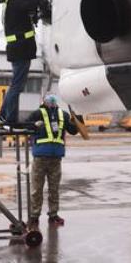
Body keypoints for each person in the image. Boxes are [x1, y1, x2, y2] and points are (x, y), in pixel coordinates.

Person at [24, 94, 78, 227]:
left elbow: (73, 131)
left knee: (54, 189)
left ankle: (53, 215)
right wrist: (34, 125)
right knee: (37, 189)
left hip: (55, 157)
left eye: (53, 101)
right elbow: (25, 125)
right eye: (49, 101)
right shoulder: (37, 113)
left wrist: (78, 118)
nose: (52, 102)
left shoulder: (63, 115)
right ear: (44, 102)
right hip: (41, 157)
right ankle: (34, 216)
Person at [0, 0, 42, 125]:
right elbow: (30, 3)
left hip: (21, 48)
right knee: (17, 86)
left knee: (16, 85)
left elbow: (28, 1)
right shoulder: (13, 0)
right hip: (20, 48)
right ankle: (7, 118)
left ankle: (4, 116)